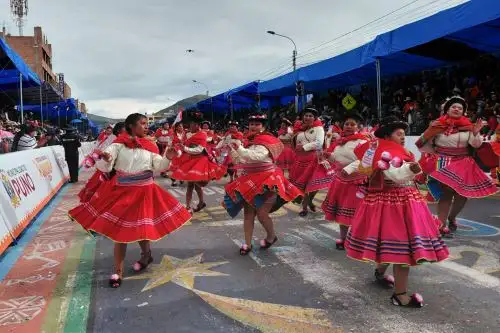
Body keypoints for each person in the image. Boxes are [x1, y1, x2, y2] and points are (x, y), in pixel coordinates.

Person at [69, 113, 191, 288]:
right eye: (142, 123)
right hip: (123, 193)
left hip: (145, 192)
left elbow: (159, 166)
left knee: (142, 229)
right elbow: (106, 165)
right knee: (120, 233)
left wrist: (168, 157)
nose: (146, 126)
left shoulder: (150, 145)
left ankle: (146, 255)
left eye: (146, 123)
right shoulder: (118, 145)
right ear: (131, 127)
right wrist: (106, 159)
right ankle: (118, 271)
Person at [344, 116, 449, 307]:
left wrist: (418, 170)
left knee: (388, 242)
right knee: (403, 248)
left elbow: (407, 171)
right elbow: (396, 174)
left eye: (404, 134)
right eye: (398, 134)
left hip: (404, 201)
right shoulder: (384, 152)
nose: (402, 137)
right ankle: (400, 295)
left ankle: (380, 273)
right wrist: (417, 167)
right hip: (394, 203)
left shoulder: (396, 151)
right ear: (387, 135)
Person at [416, 96, 497, 237]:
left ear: (463, 112)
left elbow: (476, 145)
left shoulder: (468, 127)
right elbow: (423, 144)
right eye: (454, 107)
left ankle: (452, 217)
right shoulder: (437, 125)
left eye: (460, 108)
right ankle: (441, 226)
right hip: (444, 162)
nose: (457, 109)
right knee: (446, 194)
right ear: (447, 109)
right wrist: (435, 152)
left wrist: (476, 132)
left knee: (462, 195)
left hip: (464, 163)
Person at [222, 113, 302, 255]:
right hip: (249, 181)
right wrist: (232, 152)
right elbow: (241, 162)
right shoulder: (247, 141)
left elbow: (257, 157)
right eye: (251, 124)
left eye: (257, 124)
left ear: (263, 126)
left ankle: (271, 236)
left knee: (262, 213)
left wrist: (239, 148)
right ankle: (247, 243)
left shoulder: (267, 140)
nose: (253, 126)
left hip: (268, 180)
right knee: (248, 214)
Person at [321, 112, 368, 250]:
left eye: (352, 124)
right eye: (346, 124)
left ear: (359, 127)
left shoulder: (363, 141)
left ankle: (358, 239)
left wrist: (349, 169)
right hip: (341, 181)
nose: (348, 126)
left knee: (357, 213)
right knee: (342, 213)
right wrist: (329, 156)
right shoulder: (339, 142)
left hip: (356, 181)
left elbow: (365, 160)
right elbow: (337, 158)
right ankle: (343, 238)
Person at [170, 111, 226, 213]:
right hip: (189, 161)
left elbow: (199, 150)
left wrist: (185, 148)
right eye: (190, 124)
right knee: (191, 185)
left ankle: (193, 205)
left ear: (197, 125)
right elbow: (182, 146)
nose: (190, 126)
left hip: (199, 161)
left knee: (194, 185)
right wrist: (178, 152)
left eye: (192, 124)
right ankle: (193, 204)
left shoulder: (202, 134)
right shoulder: (186, 134)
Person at [289, 108, 332, 216]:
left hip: (314, 159)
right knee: (303, 185)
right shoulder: (300, 129)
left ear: (314, 118)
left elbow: (319, 143)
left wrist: (304, 147)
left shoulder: (319, 129)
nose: (307, 117)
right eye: (306, 115)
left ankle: (306, 205)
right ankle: (306, 205)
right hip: (300, 159)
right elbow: (295, 143)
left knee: (312, 184)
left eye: (310, 116)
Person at [78, 122, 126, 203]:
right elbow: (102, 150)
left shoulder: (120, 138)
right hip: (109, 168)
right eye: (126, 128)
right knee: (102, 189)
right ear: (119, 130)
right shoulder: (112, 139)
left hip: (117, 169)